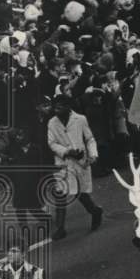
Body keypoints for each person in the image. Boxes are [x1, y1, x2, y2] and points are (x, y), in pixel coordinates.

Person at [46, 94, 103, 240]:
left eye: (60, 106)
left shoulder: (80, 119)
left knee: (80, 193)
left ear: (68, 107)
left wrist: (93, 154)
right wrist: (66, 152)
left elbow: (89, 139)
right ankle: (60, 228)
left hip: (79, 162)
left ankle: (95, 211)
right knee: (60, 194)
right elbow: (51, 143)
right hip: (63, 163)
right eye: (55, 107)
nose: (57, 109)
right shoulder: (52, 123)